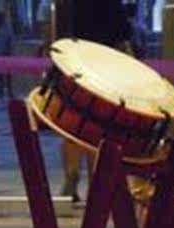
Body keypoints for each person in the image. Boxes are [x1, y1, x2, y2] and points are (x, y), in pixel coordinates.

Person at [60, 0, 133, 206]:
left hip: (76, 62)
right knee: (97, 129)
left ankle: (71, 176)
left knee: (72, 126)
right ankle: (96, 184)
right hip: (104, 66)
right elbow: (123, 31)